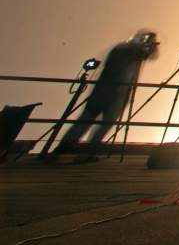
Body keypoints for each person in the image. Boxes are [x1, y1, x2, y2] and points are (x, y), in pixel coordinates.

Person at [55, 30, 160, 161]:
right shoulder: (130, 51)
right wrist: (153, 44)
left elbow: (148, 55)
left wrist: (151, 45)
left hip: (102, 90)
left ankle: (62, 150)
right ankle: (85, 153)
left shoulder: (121, 48)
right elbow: (150, 55)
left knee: (85, 121)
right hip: (116, 92)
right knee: (103, 123)